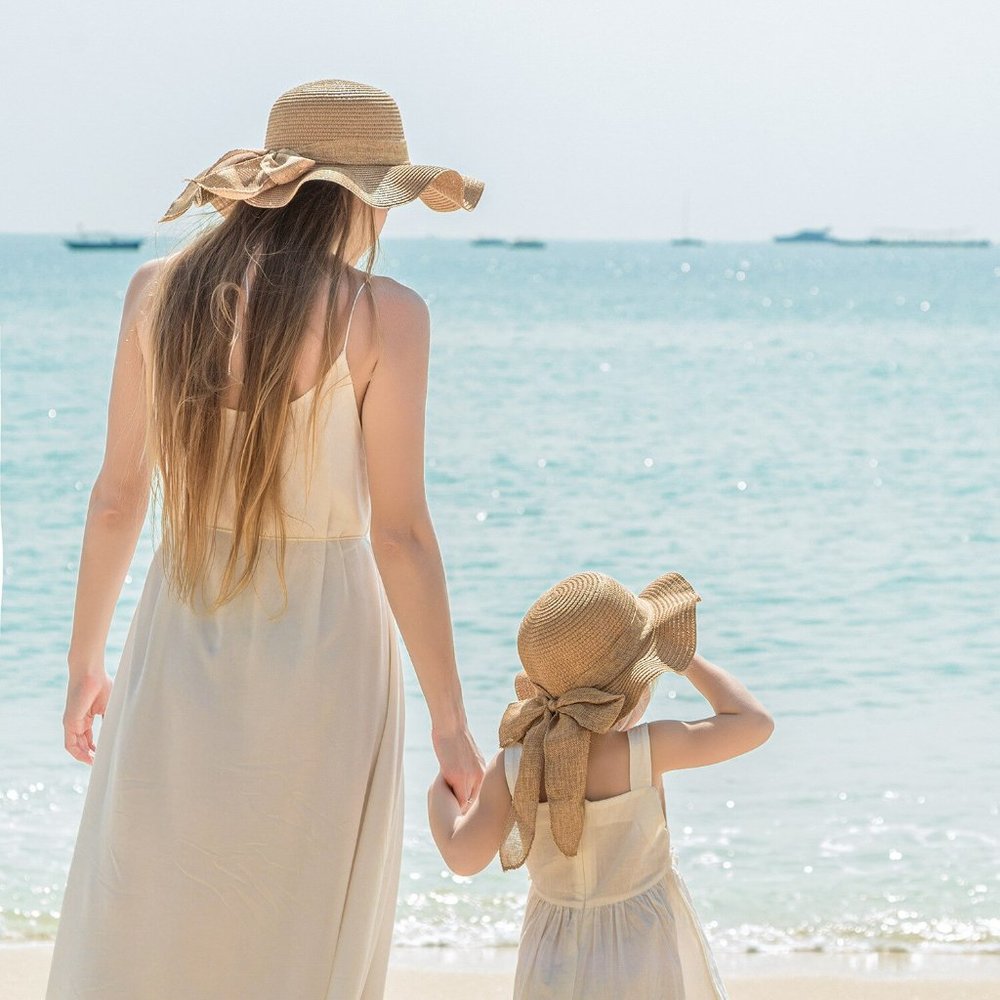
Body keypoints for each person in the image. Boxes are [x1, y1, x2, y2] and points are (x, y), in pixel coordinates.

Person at [47, 79, 486, 999]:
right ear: (364, 195)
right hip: (328, 643)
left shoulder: (156, 293)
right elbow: (401, 536)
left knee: (159, 901)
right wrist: (451, 719)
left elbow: (117, 499)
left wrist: (86, 663)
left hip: (180, 628)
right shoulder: (387, 316)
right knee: (306, 909)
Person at [428, 570, 775, 999]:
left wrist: (438, 794)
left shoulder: (514, 766)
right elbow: (754, 722)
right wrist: (684, 656)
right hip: (644, 948)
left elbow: (462, 857)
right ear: (636, 681)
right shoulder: (647, 750)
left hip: (551, 953)